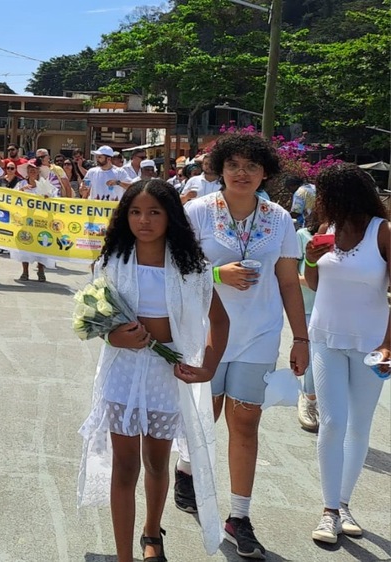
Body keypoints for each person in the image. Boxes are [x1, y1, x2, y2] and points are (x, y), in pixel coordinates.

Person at [78, 179, 228, 562]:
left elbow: (219, 320)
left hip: (166, 375)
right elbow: (97, 320)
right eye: (135, 212)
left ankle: (152, 532)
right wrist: (114, 339)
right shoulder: (113, 261)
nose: (144, 220)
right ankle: (123, 554)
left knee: (156, 463)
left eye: (154, 212)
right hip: (122, 375)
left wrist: (208, 366)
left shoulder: (191, 268)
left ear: (171, 216)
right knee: (124, 466)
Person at [177, 133, 308, 560]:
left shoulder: (280, 219)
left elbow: (289, 283)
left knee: (246, 423)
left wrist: (301, 338)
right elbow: (173, 270)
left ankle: (240, 516)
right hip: (206, 332)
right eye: (233, 164)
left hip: (259, 334)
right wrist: (218, 275)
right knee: (206, 414)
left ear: (265, 172)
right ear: (219, 168)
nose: (242, 173)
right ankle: (186, 467)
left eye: (252, 166)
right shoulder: (197, 212)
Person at [303, 164, 390, 544]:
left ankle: (344, 503)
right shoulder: (326, 230)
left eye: (324, 194)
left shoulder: (382, 233)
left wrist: (389, 344)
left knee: (359, 426)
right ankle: (328, 511)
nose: (319, 202)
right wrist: (309, 256)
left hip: (372, 343)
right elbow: (315, 282)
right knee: (333, 422)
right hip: (325, 337)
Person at [295, 220, 320, 432]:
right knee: (313, 353)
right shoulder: (303, 235)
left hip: (335, 307)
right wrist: (313, 280)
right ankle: (308, 397)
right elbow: (289, 273)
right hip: (308, 305)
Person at [13, 159, 56, 282]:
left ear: (39, 171)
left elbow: (55, 199)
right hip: (25, 220)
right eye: (30, 169)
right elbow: (11, 198)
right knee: (24, 244)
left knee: (42, 244)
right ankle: (25, 271)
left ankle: (41, 269)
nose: (32, 171)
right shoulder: (21, 185)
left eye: (35, 169)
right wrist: (21, 191)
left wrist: (48, 197)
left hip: (41, 221)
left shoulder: (46, 185)